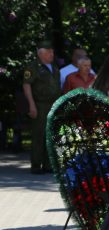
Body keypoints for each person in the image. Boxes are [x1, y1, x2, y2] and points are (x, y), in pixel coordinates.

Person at [23, 40, 61, 174]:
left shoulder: (54, 68)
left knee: (50, 135)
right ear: (41, 53)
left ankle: (48, 165)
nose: (52, 54)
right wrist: (32, 105)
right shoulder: (33, 67)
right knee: (39, 135)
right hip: (40, 105)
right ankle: (36, 165)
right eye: (49, 52)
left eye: (52, 51)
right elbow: (27, 85)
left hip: (53, 105)